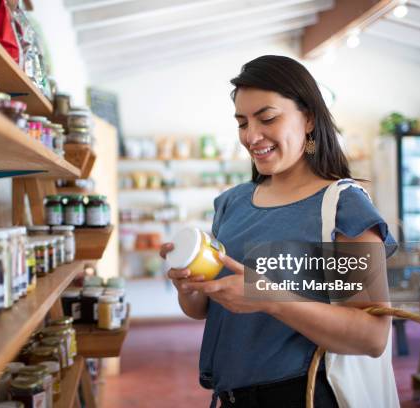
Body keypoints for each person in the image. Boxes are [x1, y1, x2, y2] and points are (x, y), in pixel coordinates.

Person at [160, 55, 397, 408]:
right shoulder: (232, 203)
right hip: (229, 396)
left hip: (304, 396)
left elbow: (372, 335)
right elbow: (207, 309)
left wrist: (270, 298)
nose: (251, 136)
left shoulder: (344, 207)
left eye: (267, 118)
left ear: (309, 118)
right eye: (242, 122)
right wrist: (189, 286)